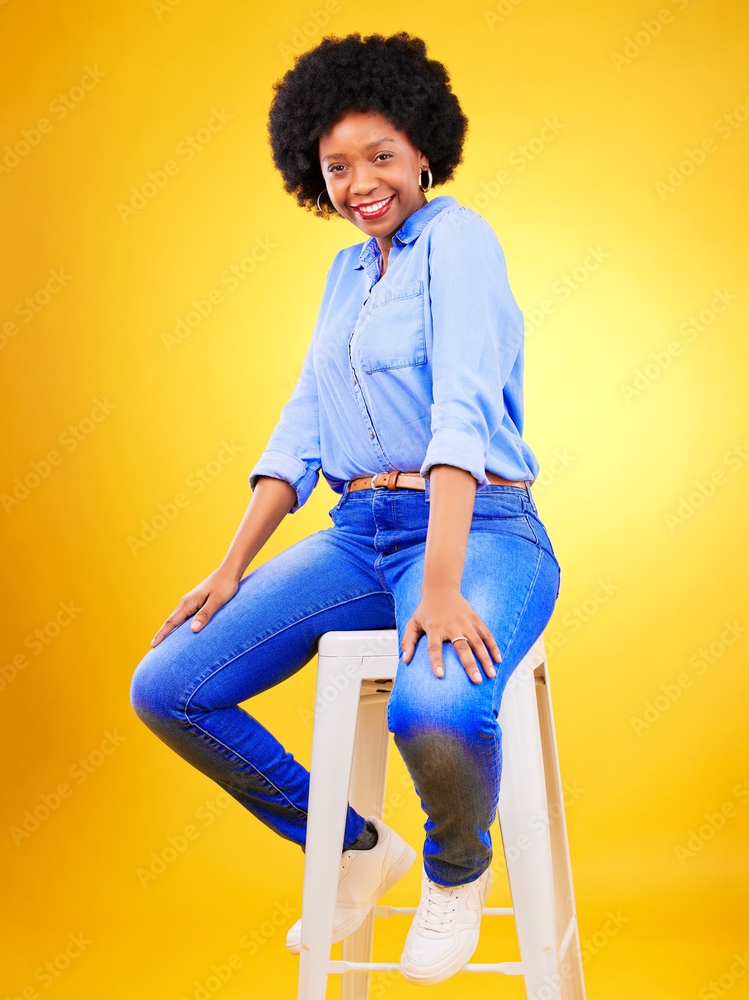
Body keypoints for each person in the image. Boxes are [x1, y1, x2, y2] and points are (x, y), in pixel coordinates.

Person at [130, 31, 562, 986]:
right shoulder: (344, 275)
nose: (362, 181)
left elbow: (461, 414)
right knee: (169, 686)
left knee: (436, 711)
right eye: (337, 166)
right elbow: (300, 430)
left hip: (482, 528)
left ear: (422, 152)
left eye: (381, 156)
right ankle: (360, 848)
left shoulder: (461, 240)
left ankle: (457, 872)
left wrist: (441, 583)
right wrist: (231, 565)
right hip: (358, 538)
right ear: (310, 172)